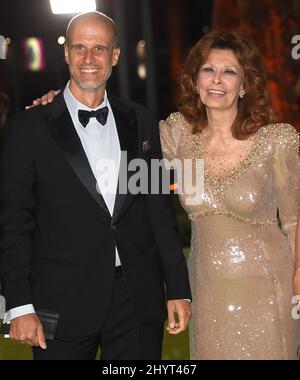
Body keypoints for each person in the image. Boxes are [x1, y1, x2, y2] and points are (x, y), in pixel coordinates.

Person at [0, 11, 191, 360]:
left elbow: (157, 209)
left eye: (99, 49)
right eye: (80, 48)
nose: (89, 58)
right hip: (57, 303)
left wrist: (178, 288)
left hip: (136, 299)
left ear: (115, 55)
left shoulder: (140, 121)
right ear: (67, 53)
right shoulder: (27, 129)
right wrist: (19, 305)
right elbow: (14, 224)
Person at [159, 30, 300, 360]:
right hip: (208, 291)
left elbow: (295, 220)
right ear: (195, 79)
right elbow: (123, 155)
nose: (216, 80)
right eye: (208, 69)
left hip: (270, 289)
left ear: (245, 84)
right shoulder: (178, 135)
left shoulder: (275, 142)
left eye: (229, 71)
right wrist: (70, 102)